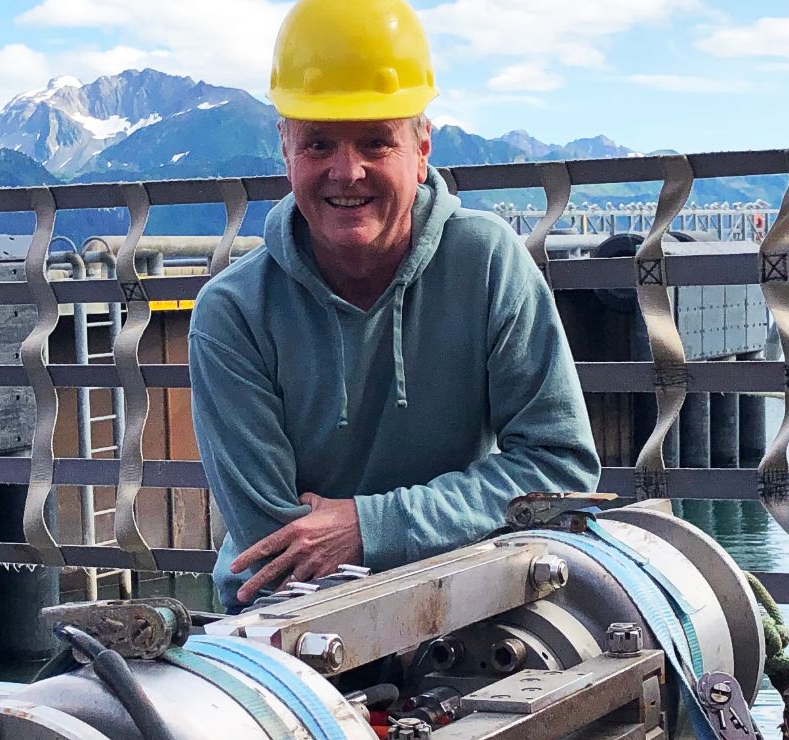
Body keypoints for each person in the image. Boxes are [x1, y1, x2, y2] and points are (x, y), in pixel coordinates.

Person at [187, 0, 600, 611]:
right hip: (287, 621)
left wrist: (369, 526)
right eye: (318, 143)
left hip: (461, 607)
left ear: (422, 146)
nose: (346, 171)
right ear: (285, 149)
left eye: (376, 142)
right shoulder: (232, 312)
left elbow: (561, 469)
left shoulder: (487, 262)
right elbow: (275, 552)